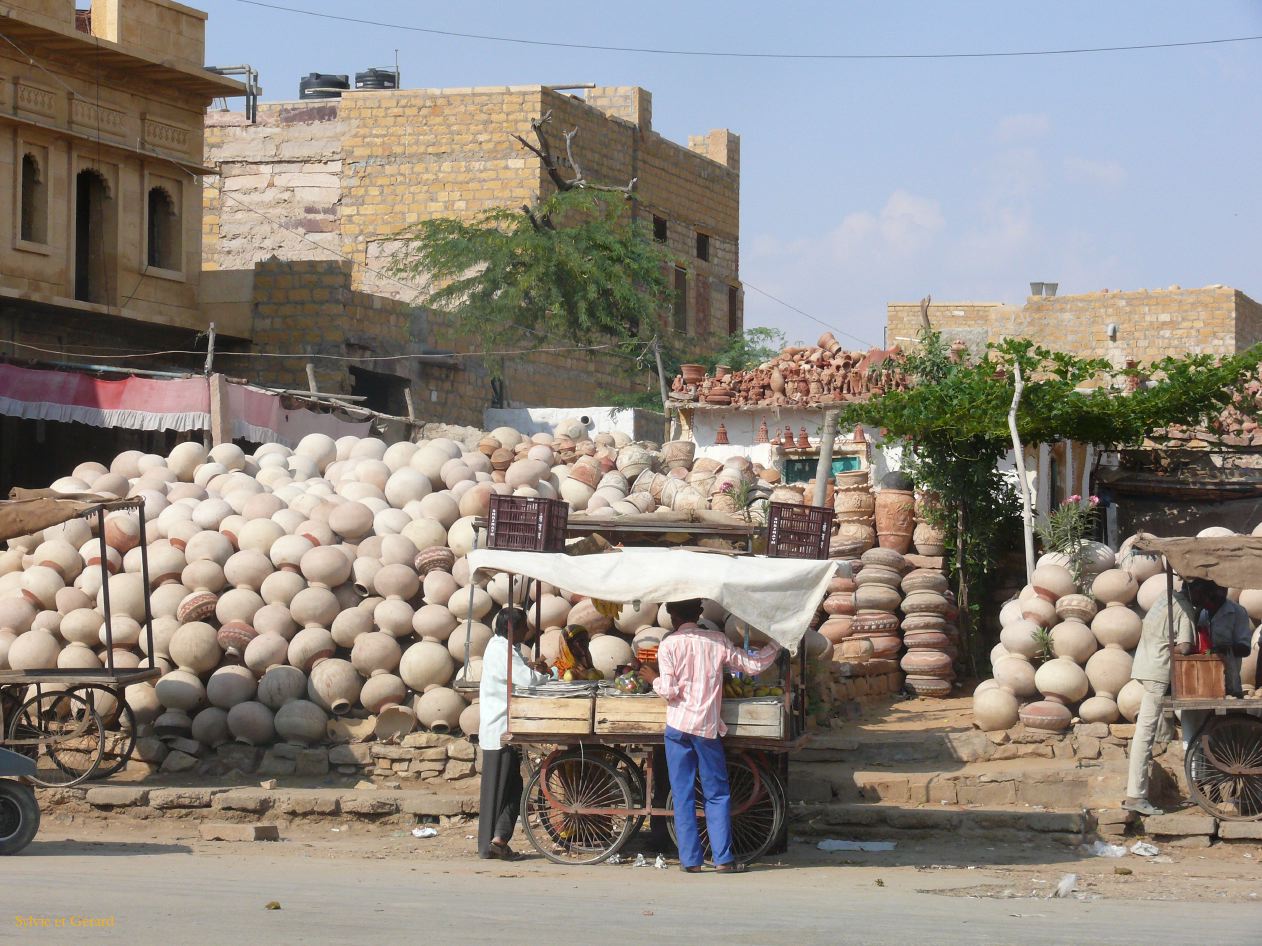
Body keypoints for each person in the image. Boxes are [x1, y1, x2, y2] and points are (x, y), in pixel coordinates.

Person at [637, 599, 781, 874]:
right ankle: (723, 859)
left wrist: (652, 678)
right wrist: (777, 644)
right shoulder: (717, 640)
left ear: (671, 615)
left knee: (683, 794)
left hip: (678, 727)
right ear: (699, 613)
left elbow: (669, 691)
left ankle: (690, 861)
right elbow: (752, 665)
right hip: (706, 729)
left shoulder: (669, 645)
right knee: (716, 794)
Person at [477, 606, 551, 860]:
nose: (527, 631)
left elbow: (519, 673)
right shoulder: (501, 650)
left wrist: (531, 668)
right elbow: (527, 680)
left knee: (512, 788)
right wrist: (544, 675)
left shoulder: (505, 649)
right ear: (511, 628)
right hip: (499, 729)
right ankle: (490, 845)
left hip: (503, 728)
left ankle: (498, 839)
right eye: (523, 626)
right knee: (498, 790)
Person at [1122, 584, 1195, 816]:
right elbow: (1185, 647)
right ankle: (1136, 795)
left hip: (1145, 664)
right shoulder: (1185, 608)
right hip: (1159, 670)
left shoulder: (1166, 596)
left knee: (1151, 727)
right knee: (1145, 731)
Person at [1192, 579, 1253, 699]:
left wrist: (1223, 649)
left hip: (1230, 680)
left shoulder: (1237, 612)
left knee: (1232, 716)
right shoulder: (1203, 613)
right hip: (1206, 679)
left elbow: (1245, 649)